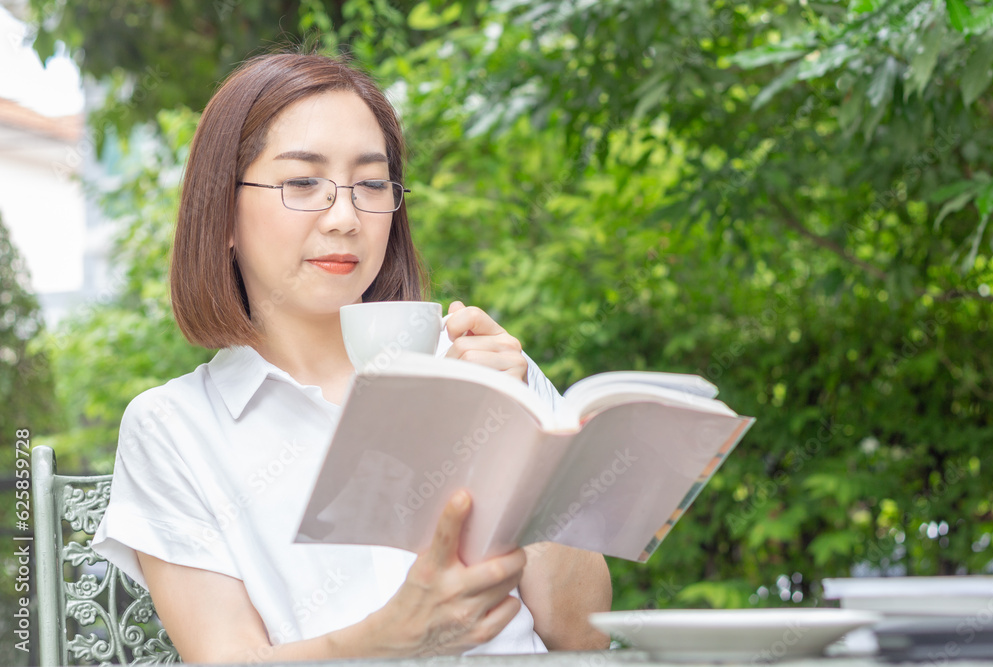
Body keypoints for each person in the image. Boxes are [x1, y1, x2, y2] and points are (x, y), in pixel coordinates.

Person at [91, 51, 611, 663]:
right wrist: (387, 637)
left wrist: (519, 439)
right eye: (302, 183)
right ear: (223, 212)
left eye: (370, 184)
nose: (345, 217)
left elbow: (585, 636)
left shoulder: (481, 363)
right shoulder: (175, 425)